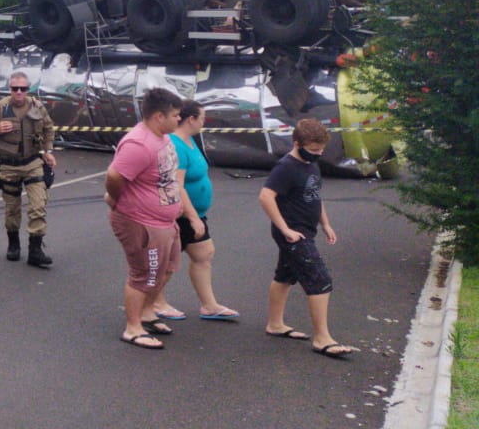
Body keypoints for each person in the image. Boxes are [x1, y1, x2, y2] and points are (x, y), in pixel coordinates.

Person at [259, 118, 353, 359]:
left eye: (321, 150)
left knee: (285, 276)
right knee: (319, 279)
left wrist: (326, 223)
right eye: (313, 150)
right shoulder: (286, 167)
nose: (317, 154)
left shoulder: (312, 165)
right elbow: (266, 197)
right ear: (296, 143)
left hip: (306, 230)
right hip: (293, 234)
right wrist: (285, 229)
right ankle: (322, 338)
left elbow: (313, 195)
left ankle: (275, 324)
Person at [104, 87, 184, 350]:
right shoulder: (139, 143)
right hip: (141, 221)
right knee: (144, 274)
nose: (179, 120)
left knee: (166, 269)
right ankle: (133, 328)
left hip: (165, 221)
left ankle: (148, 313)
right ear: (159, 116)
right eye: (175, 115)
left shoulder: (163, 137)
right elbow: (114, 177)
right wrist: (116, 201)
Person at [152, 100, 240, 322]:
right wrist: (192, 217)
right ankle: (155, 301)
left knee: (203, 253)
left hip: (194, 212)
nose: (204, 122)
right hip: (179, 214)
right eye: (202, 118)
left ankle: (209, 305)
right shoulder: (176, 145)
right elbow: (177, 185)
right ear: (191, 119)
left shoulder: (189, 140)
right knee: (167, 263)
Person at [0, 71, 57, 268]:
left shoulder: (37, 106)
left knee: (38, 205)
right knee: (12, 209)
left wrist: (49, 151)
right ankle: (13, 244)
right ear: (9, 89)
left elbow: (48, 128)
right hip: (8, 165)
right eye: (14, 89)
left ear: (28, 89)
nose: (19, 92)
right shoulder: (0, 108)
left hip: (33, 163)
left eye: (23, 89)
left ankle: (35, 250)